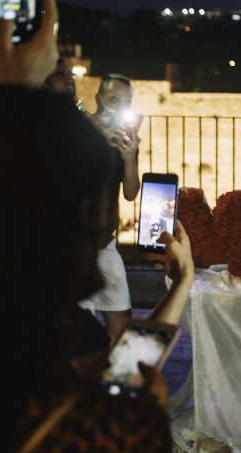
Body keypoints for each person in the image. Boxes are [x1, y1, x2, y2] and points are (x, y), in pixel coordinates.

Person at [0, 86, 194, 453]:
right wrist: (183, 280)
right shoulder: (89, 396)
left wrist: (180, 286)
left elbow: (120, 373)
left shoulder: (13, 323)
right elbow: (119, 389)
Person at [82, 73, 141, 345]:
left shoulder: (126, 138)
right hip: (76, 245)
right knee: (81, 325)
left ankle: (110, 370)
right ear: (98, 99)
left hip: (106, 243)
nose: (119, 108)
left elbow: (130, 193)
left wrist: (129, 159)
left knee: (121, 320)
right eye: (113, 100)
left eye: (126, 103)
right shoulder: (81, 131)